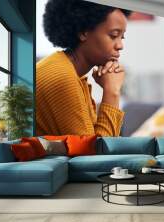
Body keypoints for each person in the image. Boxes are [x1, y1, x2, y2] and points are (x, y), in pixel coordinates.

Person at [36, 0, 131, 136]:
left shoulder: (70, 72)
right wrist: (112, 91)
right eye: (114, 35)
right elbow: (95, 154)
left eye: (122, 37)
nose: (120, 45)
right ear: (83, 32)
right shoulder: (62, 78)